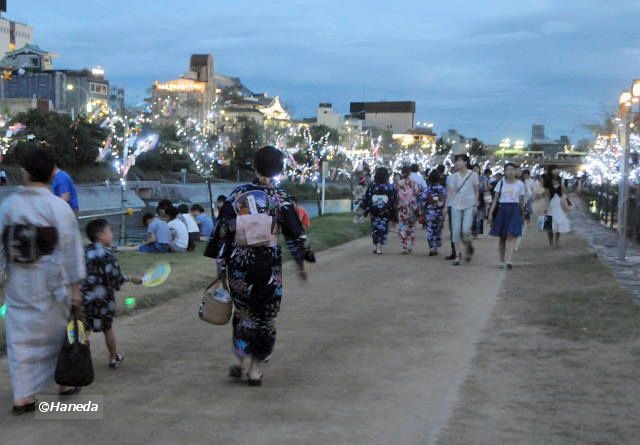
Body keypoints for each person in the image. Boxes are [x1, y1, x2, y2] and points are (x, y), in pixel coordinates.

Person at [205, 146, 315, 387]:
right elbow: (295, 235)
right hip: (268, 268)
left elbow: (222, 231)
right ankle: (255, 369)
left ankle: (239, 359)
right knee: (265, 318)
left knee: (243, 313)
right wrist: (301, 262)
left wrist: (221, 263)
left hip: (240, 265)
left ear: (254, 167)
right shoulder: (281, 199)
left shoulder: (237, 195)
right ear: (280, 170)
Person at [0, 145, 86, 414]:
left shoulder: (9, 205)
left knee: (20, 339)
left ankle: (23, 397)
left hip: (18, 280)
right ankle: (63, 383)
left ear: (24, 173)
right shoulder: (58, 207)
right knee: (55, 335)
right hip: (51, 279)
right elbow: (72, 249)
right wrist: (75, 288)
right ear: (52, 173)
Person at [82, 219, 142, 369]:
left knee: (84, 329)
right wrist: (131, 278)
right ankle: (113, 357)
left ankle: (80, 360)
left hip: (85, 300)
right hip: (103, 301)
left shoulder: (84, 252)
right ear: (101, 235)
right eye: (109, 232)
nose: (112, 235)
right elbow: (116, 279)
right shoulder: (108, 255)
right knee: (107, 328)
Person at [488, 163, 525, 269]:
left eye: (512, 169)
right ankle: (501, 260)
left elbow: (522, 201)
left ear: (516, 171)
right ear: (505, 172)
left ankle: (509, 260)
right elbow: (495, 200)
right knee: (502, 237)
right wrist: (490, 213)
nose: (511, 172)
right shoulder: (500, 183)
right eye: (508, 170)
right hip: (502, 209)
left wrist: (522, 213)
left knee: (511, 235)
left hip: (514, 209)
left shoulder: (520, 184)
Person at [447, 154, 479, 265]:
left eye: (459, 161)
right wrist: (446, 205)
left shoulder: (473, 175)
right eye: (456, 161)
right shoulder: (453, 176)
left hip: (469, 205)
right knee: (455, 231)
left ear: (465, 162)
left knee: (465, 230)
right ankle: (457, 255)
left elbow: (476, 190)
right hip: (455, 205)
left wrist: (475, 205)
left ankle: (468, 245)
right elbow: (450, 192)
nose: (457, 163)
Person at [359, 167, 398, 255]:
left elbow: (367, 198)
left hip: (374, 211)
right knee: (383, 227)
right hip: (386, 211)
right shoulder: (390, 187)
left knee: (375, 227)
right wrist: (394, 213)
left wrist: (364, 209)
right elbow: (394, 200)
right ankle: (380, 245)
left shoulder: (372, 186)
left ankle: (377, 245)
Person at [419, 170, 447, 256]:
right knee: (438, 230)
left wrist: (422, 209)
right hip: (439, 212)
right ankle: (436, 246)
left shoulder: (427, 189)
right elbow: (446, 199)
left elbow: (422, 199)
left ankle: (431, 247)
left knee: (430, 230)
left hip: (429, 212)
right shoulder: (442, 189)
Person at [396, 165, 420, 254]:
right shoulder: (413, 183)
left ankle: (404, 246)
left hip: (402, 207)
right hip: (412, 207)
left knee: (402, 226)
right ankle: (410, 244)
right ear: (410, 173)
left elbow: (396, 195)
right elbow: (417, 193)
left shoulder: (398, 183)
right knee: (411, 227)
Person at [544, 174, 571, 248]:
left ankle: (556, 242)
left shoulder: (562, 187)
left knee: (558, 225)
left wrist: (562, 186)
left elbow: (567, 195)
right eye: (553, 180)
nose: (554, 181)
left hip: (560, 207)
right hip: (551, 207)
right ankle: (551, 243)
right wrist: (546, 207)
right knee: (549, 227)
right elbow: (547, 197)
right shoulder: (549, 188)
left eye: (556, 180)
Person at [471, 164, 487, 238]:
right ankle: (473, 231)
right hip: (471, 198)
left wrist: (485, 185)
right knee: (472, 216)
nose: (475, 170)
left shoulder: (482, 178)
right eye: (474, 168)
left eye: (477, 168)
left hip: (481, 198)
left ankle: (476, 232)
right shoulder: (469, 178)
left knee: (479, 216)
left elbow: (485, 188)